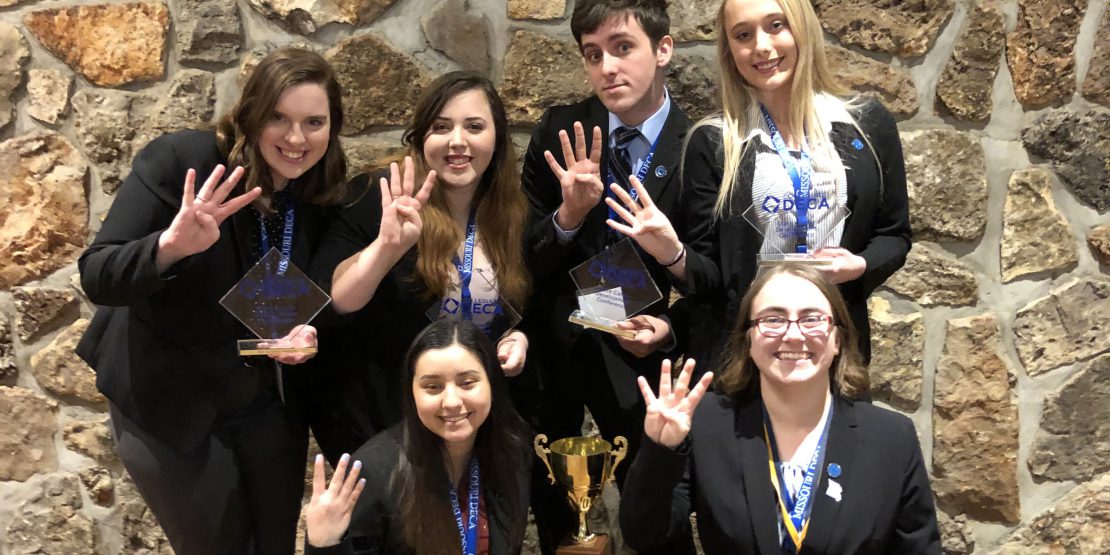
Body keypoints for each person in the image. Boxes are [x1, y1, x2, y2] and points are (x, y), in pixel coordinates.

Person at [76, 47, 348, 554]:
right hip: (166, 398)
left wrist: (302, 330)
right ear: (250, 114)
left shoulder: (317, 191)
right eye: (279, 118)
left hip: (257, 394)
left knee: (273, 544)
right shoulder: (185, 162)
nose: (296, 138)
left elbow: (312, 286)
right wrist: (169, 248)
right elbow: (98, 274)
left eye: (314, 122)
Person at [606, 0, 911, 372]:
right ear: (730, 50)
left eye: (776, 25)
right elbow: (712, 282)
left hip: (834, 349)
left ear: (803, 29)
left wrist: (859, 266)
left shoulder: (867, 122)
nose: (761, 46)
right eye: (744, 35)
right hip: (740, 359)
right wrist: (673, 254)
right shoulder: (713, 141)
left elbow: (894, 235)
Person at [519, 0, 697, 551]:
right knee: (556, 512)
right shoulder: (560, 129)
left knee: (657, 517)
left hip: (640, 354)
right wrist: (568, 217)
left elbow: (716, 274)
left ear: (662, 49)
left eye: (623, 48)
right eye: (593, 55)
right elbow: (523, 258)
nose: (607, 68)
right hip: (558, 351)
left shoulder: (701, 146)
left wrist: (668, 330)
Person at [619, 264, 941, 553]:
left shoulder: (891, 439)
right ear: (748, 340)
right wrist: (659, 451)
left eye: (812, 318)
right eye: (772, 319)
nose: (792, 334)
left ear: (838, 340)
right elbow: (645, 536)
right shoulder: (707, 423)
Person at [307, 71, 532, 461]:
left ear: (496, 139)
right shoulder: (377, 195)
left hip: (468, 421)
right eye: (441, 127)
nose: (457, 141)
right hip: (385, 428)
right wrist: (386, 248)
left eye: (474, 126)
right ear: (420, 137)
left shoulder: (509, 213)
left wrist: (517, 338)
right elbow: (330, 302)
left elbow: (518, 306)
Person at [304, 319, 533, 554]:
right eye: (433, 387)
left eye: (467, 383)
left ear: (492, 385)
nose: (452, 402)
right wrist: (324, 543)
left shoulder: (511, 451)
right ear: (411, 393)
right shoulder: (372, 472)